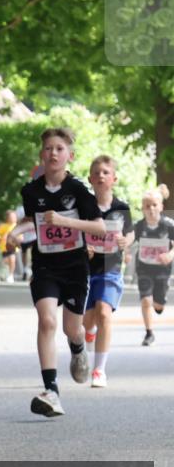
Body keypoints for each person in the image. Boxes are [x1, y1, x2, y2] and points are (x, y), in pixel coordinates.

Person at [16, 127, 105, 417]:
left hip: (75, 267)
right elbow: (32, 222)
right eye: (48, 148)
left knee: (71, 329)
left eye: (59, 149)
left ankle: (78, 347)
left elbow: (99, 227)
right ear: (41, 154)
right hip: (45, 266)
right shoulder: (31, 191)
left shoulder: (78, 190)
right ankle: (51, 391)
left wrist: (69, 224)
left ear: (70, 156)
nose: (53, 153)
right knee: (46, 322)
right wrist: (16, 233)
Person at [79, 156, 133, 387]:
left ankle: (99, 370)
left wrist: (125, 242)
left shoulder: (121, 208)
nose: (101, 176)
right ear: (90, 179)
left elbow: (130, 233)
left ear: (114, 178)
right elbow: (75, 232)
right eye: (96, 173)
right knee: (88, 319)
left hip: (110, 268)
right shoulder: (84, 206)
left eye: (105, 172)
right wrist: (84, 245)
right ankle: (89, 331)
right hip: (86, 270)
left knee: (104, 313)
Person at [130, 185, 174, 347]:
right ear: (142, 208)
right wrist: (126, 253)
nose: (151, 209)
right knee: (146, 301)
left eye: (154, 205)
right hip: (144, 268)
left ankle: (160, 302)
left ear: (161, 207)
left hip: (163, 268)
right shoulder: (139, 226)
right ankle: (149, 333)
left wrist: (170, 254)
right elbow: (129, 240)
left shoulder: (168, 225)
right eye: (147, 206)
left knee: (158, 304)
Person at [0, 209, 19, 282]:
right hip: (4, 247)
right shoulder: (3, 226)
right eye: (11, 217)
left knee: (12, 259)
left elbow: (21, 237)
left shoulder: (17, 226)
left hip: (13, 247)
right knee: (6, 261)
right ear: (7, 218)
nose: (13, 218)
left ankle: (11, 275)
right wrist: (2, 238)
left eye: (14, 216)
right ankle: (4, 274)